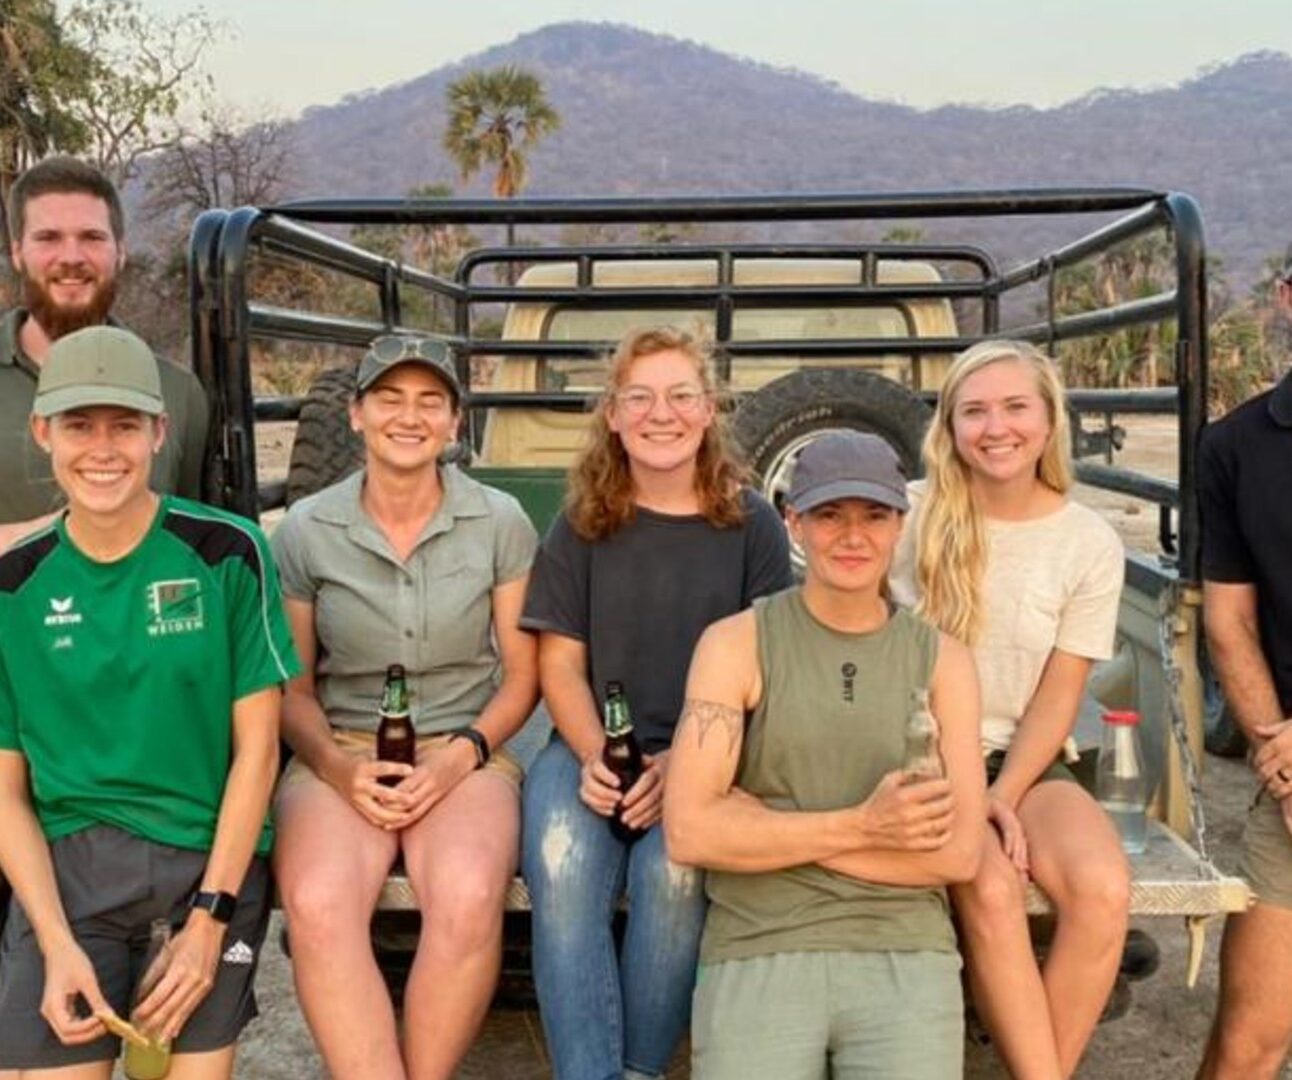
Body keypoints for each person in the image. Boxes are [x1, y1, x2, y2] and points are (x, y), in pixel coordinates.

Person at [0, 325, 297, 1078]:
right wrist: (55, 942)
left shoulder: (228, 553)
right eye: (79, 425)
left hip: (204, 864)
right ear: (42, 432)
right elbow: (4, 791)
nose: (103, 449)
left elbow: (257, 751)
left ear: (159, 433)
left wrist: (210, 919)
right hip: (70, 877)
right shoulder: (12, 584)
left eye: (125, 425)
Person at [664, 429, 984, 1080]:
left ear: (900, 525)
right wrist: (867, 826)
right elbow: (691, 831)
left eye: (875, 516)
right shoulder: (736, 644)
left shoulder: (942, 661)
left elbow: (958, 854)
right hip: (760, 940)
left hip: (903, 945)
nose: (853, 536)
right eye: (830, 515)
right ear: (794, 522)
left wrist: (764, 828)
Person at [519, 326, 792, 1080]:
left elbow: (769, 668)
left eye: (679, 395)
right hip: (589, 747)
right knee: (562, 861)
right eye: (638, 398)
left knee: (674, 873)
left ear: (708, 410)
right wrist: (593, 758)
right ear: (612, 416)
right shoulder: (582, 523)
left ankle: (638, 1069)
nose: (659, 414)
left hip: (710, 755)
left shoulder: (752, 526)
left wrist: (685, 765)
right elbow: (559, 664)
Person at [269, 333, 539, 1080]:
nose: (409, 417)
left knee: (469, 892)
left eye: (430, 401)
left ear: (455, 422)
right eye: (388, 398)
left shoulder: (500, 521)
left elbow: (523, 677)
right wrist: (336, 768)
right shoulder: (306, 529)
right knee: (318, 902)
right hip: (342, 746)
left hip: (463, 743)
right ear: (356, 414)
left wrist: (460, 760)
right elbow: (292, 690)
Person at [890, 339, 1129, 1079]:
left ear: (1050, 419)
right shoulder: (909, 516)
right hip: (922, 755)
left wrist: (1003, 794)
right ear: (950, 427)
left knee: (1102, 888)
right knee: (992, 887)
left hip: (1025, 758)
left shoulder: (1087, 541)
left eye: (1016, 407)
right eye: (975, 411)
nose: (997, 428)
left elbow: (1060, 693)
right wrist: (967, 793)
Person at [1, 156, 208, 551]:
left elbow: (196, 545)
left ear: (121, 252)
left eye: (92, 237)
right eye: (48, 238)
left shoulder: (178, 391)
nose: (71, 257)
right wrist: (66, 534)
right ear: (17, 252)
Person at [1195, 248, 1292, 1080]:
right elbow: (1228, 620)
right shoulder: (1236, 445)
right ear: (1287, 299)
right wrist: (1281, 759)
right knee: (1247, 1046)